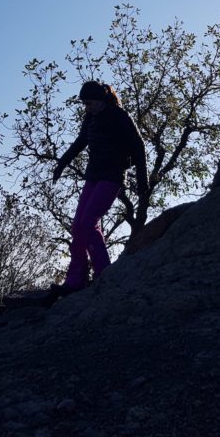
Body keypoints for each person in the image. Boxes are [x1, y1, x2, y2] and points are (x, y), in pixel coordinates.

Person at [51, 80, 148, 297]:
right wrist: (61, 165)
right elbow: (80, 142)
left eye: (89, 103)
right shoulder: (91, 118)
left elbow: (138, 147)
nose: (87, 108)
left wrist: (143, 182)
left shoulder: (119, 116)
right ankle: (75, 281)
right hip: (93, 176)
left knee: (88, 223)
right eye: (84, 104)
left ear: (102, 100)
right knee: (77, 227)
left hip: (112, 176)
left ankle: (104, 272)